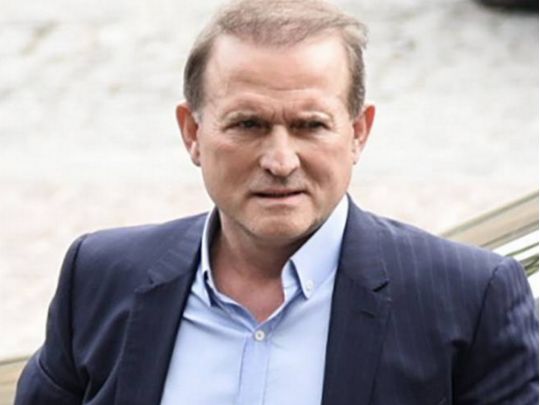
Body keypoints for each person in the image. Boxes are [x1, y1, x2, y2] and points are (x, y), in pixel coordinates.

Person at [15, 0, 538, 404]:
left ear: (358, 133)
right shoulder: (99, 278)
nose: (281, 160)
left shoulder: (470, 301)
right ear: (192, 132)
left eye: (310, 125)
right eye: (249, 124)